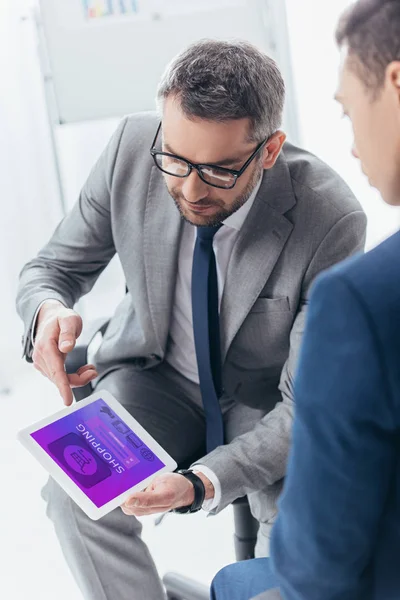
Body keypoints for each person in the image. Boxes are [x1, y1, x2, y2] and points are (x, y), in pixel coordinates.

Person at [16, 40, 366, 600]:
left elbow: (308, 403)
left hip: (267, 404)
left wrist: (199, 483)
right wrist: (47, 312)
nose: (190, 187)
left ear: (270, 150)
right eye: (176, 160)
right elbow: (53, 267)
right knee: (74, 497)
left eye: (220, 170)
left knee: (291, 571)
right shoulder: (134, 147)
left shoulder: (330, 219)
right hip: (155, 379)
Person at [210, 2, 400, 599]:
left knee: (233, 583)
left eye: (349, 110)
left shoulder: (363, 300)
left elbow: (319, 566)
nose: (350, 144)